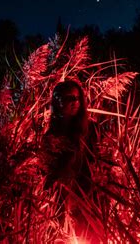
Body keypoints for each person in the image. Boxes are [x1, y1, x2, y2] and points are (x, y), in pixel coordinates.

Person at [41, 79, 100, 240]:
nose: (74, 102)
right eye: (69, 98)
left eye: (76, 98)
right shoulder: (51, 136)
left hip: (87, 195)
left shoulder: (91, 128)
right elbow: (48, 171)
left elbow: (98, 159)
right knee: (62, 236)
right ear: (58, 101)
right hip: (62, 198)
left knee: (88, 235)